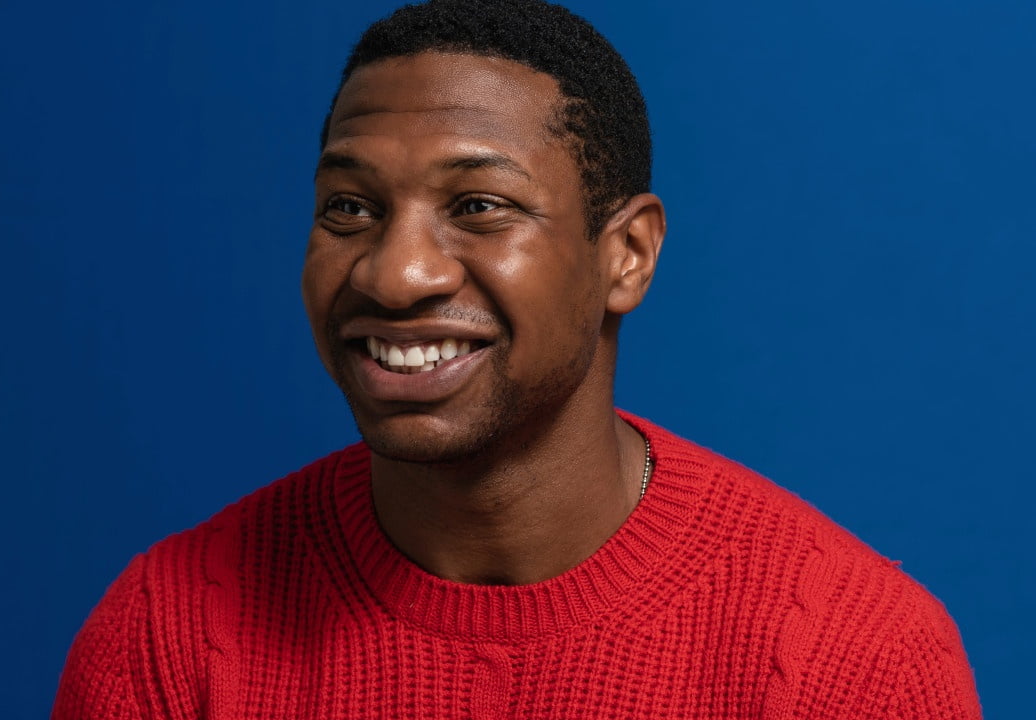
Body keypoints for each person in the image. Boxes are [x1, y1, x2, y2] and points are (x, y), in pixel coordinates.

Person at [53, 0, 982, 717]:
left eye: (479, 207)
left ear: (627, 255)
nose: (394, 273)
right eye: (350, 208)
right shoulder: (164, 638)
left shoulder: (852, 656)